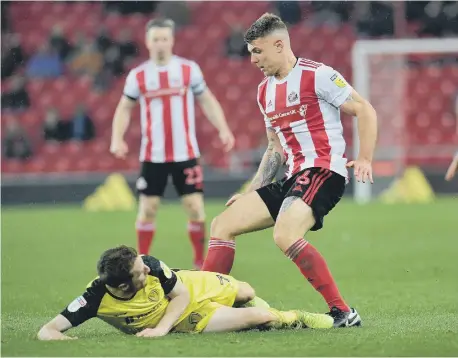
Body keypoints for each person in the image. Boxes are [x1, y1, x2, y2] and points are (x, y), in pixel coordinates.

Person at [201, 13, 378, 328]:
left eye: (258, 51)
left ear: (279, 44)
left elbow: (364, 109)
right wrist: (251, 191)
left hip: (323, 170)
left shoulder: (318, 75)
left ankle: (343, 313)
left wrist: (364, 157)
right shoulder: (264, 91)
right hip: (292, 177)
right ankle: (203, 305)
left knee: (284, 234)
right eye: (250, 52)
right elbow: (275, 149)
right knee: (222, 224)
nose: (253, 59)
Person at [110, 18, 235, 268]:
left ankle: (200, 262)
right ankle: (142, 261)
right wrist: (117, 138)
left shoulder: (188, 70)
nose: (160, 44)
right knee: (148, 209)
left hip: (185, 153)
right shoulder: (139, 75)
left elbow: (207, 100)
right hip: (152, 155)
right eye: (155, 39)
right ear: (147, 42)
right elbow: (125, 107)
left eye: (164, 38)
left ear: (172, 40)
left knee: (195, 208)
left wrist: (223, 128)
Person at [37, 245, 333, 340]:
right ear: (123, 285)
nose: (148, 270)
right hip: (187, 319)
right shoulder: (94, 298)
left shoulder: (152, 265)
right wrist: (67, 340)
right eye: (141, 273)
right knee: (262, 317)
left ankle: (244, 304)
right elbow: (47, 331)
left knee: (247, 291)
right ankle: (298, 317)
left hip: (187, 288)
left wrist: (160, 329)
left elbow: (180, 295)